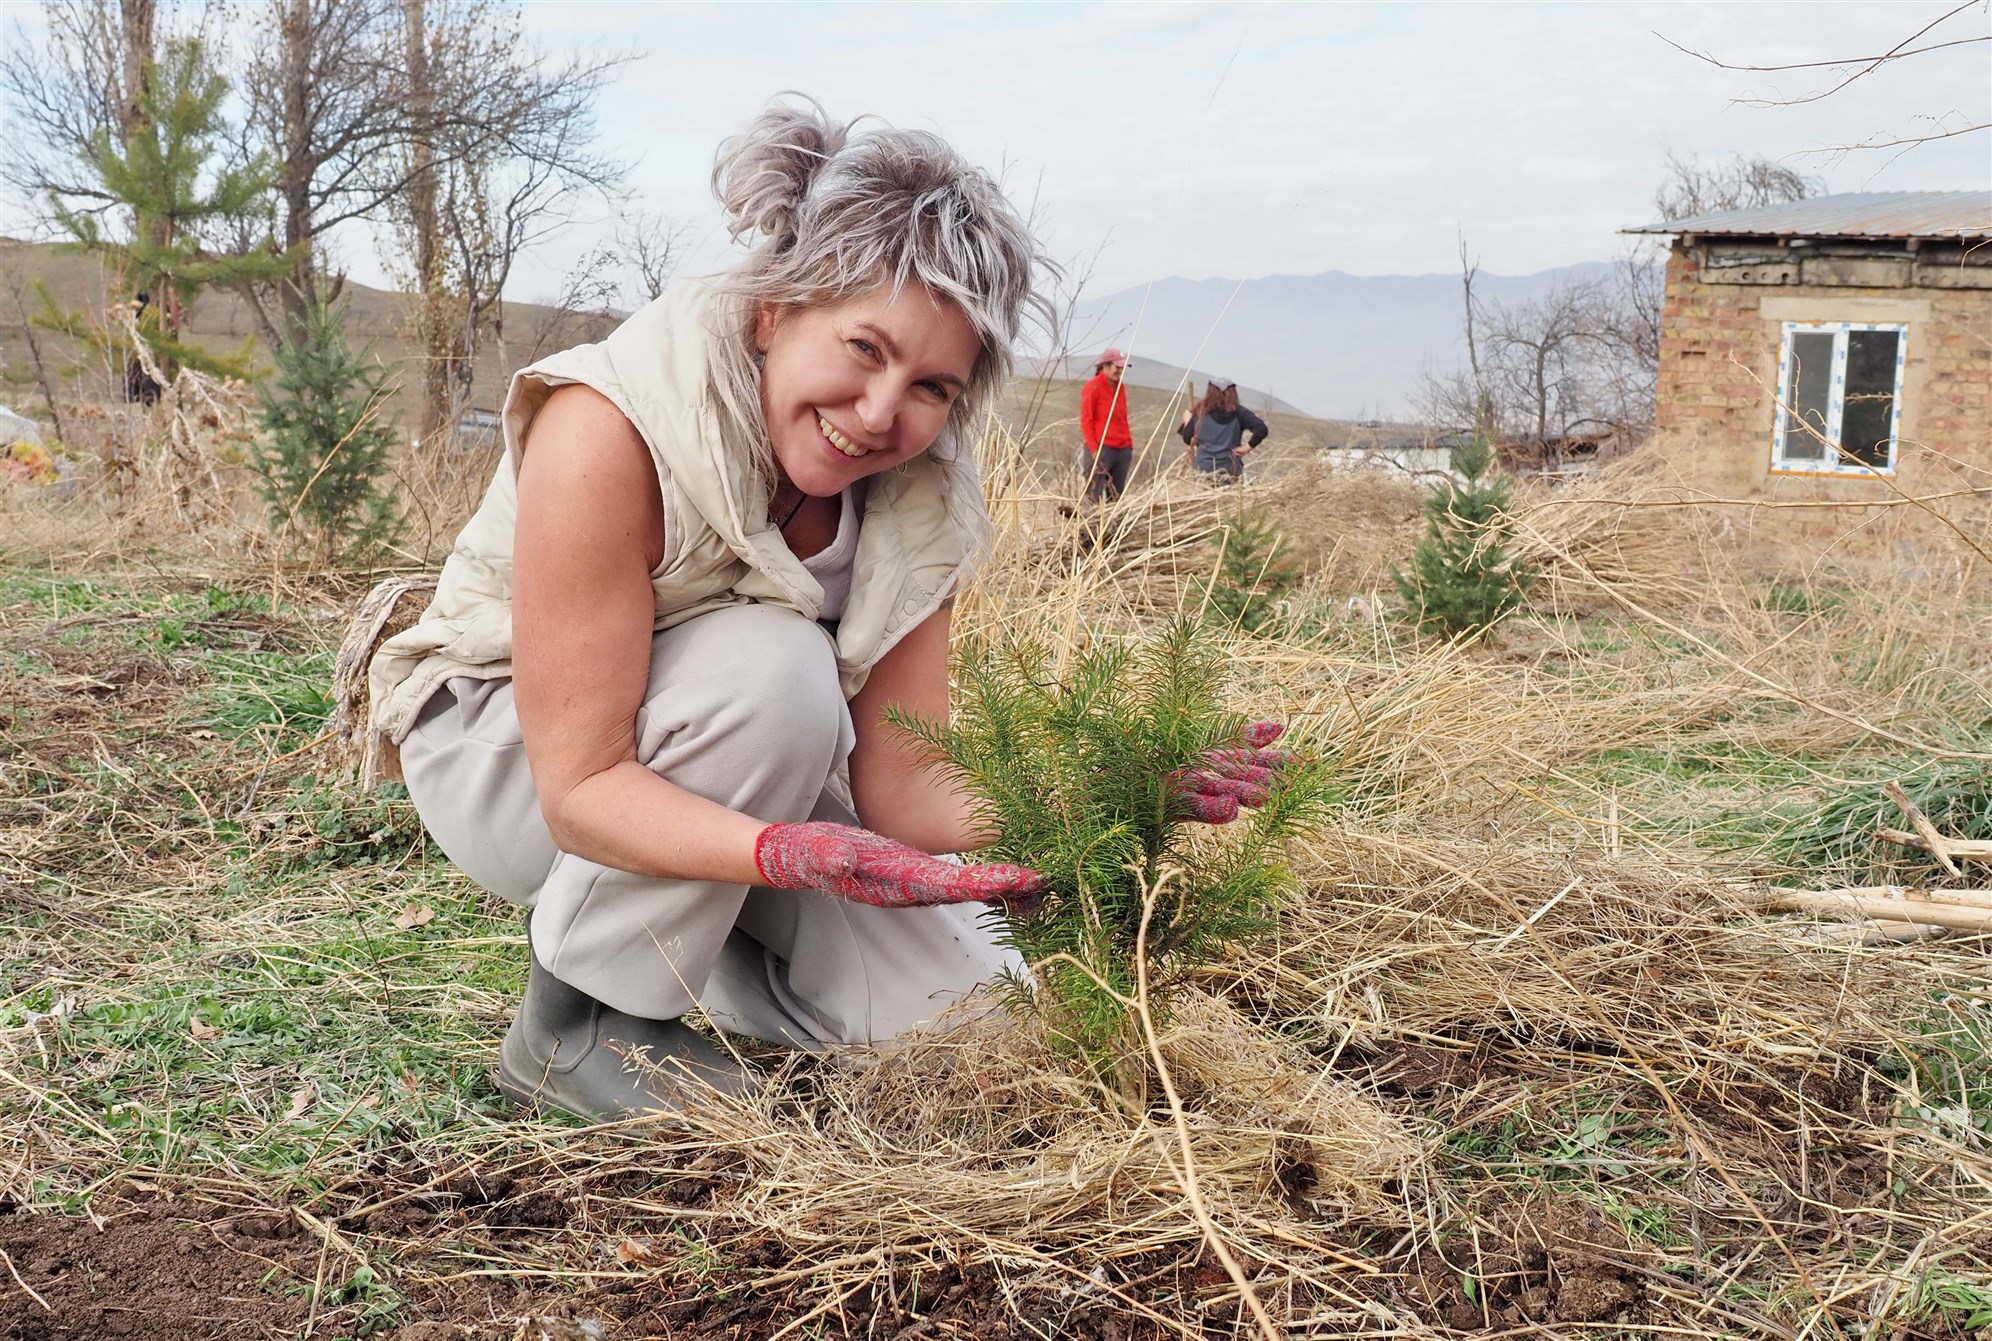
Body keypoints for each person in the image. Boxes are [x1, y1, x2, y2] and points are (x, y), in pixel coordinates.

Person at [363, 98, 1293, 1123]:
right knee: (780, 670)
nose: (881, 412)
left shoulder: (922, 502)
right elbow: (580, 788)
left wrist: (1106, 787)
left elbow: (902, 782)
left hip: (745, 760)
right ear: (775, 311)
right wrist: (784, 853)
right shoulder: (609, 429)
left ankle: (691, 947)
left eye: (932, 386)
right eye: (863, 347)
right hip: (512, 761)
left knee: (979, 1011)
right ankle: (579, 1025)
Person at [1178, 377, 1268, 482]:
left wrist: (1188, 420)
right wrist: (1246, 448)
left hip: (1203, 470)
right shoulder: (1239, 412)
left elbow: (1188, 439)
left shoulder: (1201, 411)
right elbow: (1261, 429)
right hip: (1230, 470)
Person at [1079, 347, 1134, 502]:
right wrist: (1093, 449)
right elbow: (1086, 419)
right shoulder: (1093, 386)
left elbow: (1123, 418)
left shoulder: (1120, 387)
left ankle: (1113, 519)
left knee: (1116, 496)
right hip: (1101, 448)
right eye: (1117, 367)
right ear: (1106, 366)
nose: (1120, 371)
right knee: (1093, 495)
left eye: (1122, 368)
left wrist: (1129, 445)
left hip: (1122, 449)